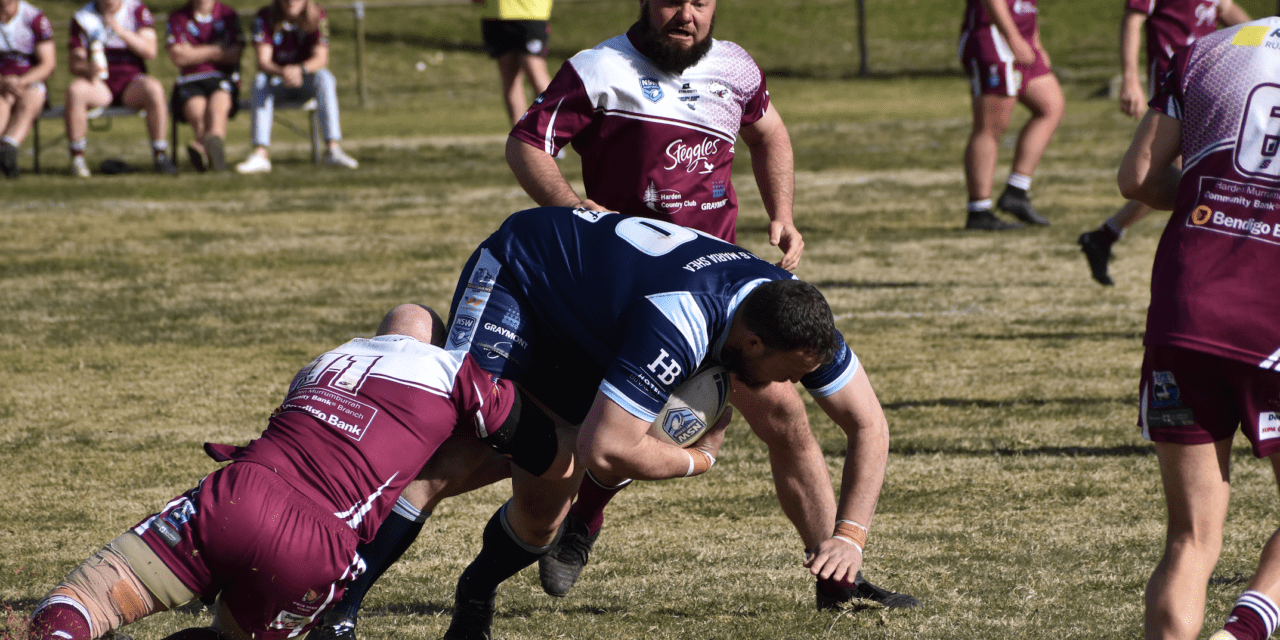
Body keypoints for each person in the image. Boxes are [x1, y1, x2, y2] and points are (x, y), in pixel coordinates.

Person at [390, 206, 888, 639]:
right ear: (755, 343)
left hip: (599, 314)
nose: (799, 381)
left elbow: (868, 426)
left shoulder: (797, 321)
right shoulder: (685, 320)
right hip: (525, 274)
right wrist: (698, 460)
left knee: (552, 475)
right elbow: (607, 447)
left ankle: (838, 583)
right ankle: (342, 563)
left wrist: (849, 536)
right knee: (466, 443)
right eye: (794, 372)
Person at [26, 304, 575, 640]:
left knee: (81, 605)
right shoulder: (456, 370)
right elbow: (547, 452)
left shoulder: (329, 358)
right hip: (320, 547)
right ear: (441, 339)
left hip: (241, 494)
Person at [1116, 17, 1280, 640]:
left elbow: (1136, 178)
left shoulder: (1208, 50)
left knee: (1189, 540)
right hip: (1271, 313)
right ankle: (1242, 632)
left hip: (1185, 309)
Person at [1077, 0, 1248, 285]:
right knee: (1174, 176)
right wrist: (1130, 77)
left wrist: (1269, 39)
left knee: (1190, 177)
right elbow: (1132, 21)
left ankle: (1106, 235)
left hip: (1210, 82)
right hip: (1176, 83)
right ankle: (1197, 261)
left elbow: (1229, 11)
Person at [958, 0, 1064, 230]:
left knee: (1051, 106)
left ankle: (1016, 191)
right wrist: (1013, 38)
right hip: (995, 36)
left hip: (1021, 36)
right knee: (990, 126)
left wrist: (1035, 41)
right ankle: (979, 210)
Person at [235, 0, 357, 174]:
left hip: (306, 81)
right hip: (277, 81)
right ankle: (260, 154)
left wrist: (300, 70)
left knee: (326, 78)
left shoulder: (317, 16)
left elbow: (321, 58)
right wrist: (284, 72)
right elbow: (263, 61)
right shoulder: (264, 17)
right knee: (260, 81)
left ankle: (332, 149)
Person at [65, 0, 178, 178]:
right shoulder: (82, 17)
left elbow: (150, 51)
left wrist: (121, 32)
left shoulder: (137, 10)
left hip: (131, 79)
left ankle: (160, 155)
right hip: (99, 81)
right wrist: (87, 67)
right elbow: (75, 62)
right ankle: (77, 159)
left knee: (154, 88)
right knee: (75, 90)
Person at [165, 0, 244, 173]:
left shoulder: (227, 15)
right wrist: (216, 50)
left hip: (221, 77)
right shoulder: (178, 17)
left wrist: (193, 51)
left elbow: (235, 54)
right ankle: (211, 149)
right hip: (190, 80)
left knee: (220, 99)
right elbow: (178, 56)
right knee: (196, 106)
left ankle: (205, 145)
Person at [474, 0, 552, 126]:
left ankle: (553, 133)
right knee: (510, 79)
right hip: (495, 13)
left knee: (534, 69)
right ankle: (520, 138)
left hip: (530, 11)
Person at [0, 0, 54, 179]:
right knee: (2, 102)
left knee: (31, 99)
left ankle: (10, 146)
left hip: (29, 81)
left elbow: (47, 64)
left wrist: (21, 82)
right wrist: (4, 82)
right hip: (2, 84)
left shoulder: (34, 17)